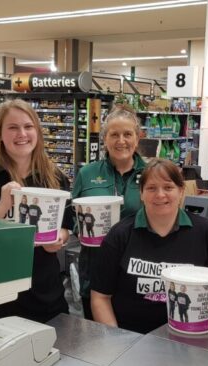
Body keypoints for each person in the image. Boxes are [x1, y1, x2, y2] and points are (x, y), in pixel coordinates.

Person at [0, 99, 71, 324]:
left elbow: (65, 226)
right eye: (13, 127)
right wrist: (1, 208)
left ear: (37, 131)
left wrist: (59, 238)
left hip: (44, 293)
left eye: (28, 126)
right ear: (0, 134)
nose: (22, 134)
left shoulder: (54, 177)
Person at [90, 158, 208, 334]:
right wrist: (116, 343)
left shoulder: (205, 232)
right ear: (141, 193)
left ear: (181, 191)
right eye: (151, 188)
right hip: (130, 340)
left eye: (168, 187)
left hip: (192, 338)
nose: (160, 194)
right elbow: (100, 297)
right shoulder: (120, 234)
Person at [72, 104, 145, 319]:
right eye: (114, 134)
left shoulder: (152, 173)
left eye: (127, 134)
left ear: (137, 138)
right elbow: (72, 215)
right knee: (97, 341)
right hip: (95, 269)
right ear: (105, 139)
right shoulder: (87, 173)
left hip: (136, 270)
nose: (121, 141)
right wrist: (80, 228)